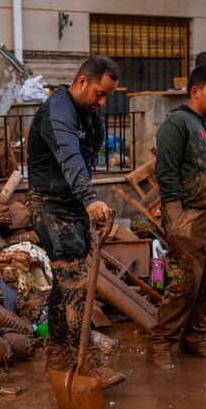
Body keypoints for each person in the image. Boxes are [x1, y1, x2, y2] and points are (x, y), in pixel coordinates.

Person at [27, 56, 125, 390]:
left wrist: (85, 202)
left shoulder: (89, 114)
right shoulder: (59, 110)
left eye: (107, 96)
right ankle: (76, 358)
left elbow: (90, 153)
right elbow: (70, 155)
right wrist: (90, 198)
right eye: (99, 93)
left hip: (72, 206)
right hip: (50, 206)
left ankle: (60, 352)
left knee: (71, 283)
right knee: (74, 282)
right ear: (81, 81)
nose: (102, 102)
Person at [148, 65, 206, 370]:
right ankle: (162, 342)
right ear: (195, 91)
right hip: (190, 218)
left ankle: (194, 336)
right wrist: (178, 221)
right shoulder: (176, 125)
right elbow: (166, 176)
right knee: (183, 285)